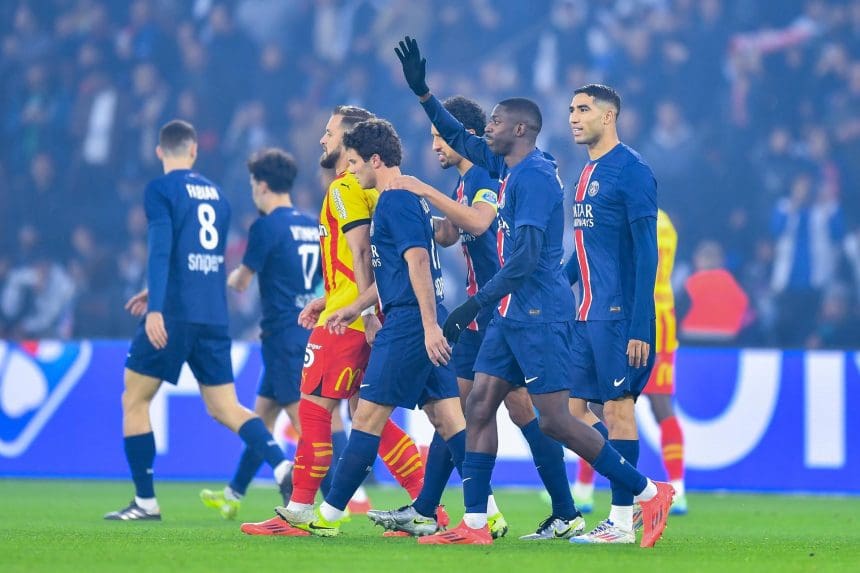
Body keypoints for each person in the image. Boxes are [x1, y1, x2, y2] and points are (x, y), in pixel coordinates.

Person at [395, 37, 674, 548]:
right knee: (479, 405)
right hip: (515, 312)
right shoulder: (513, 166)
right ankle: (475, 526)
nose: (487, 131)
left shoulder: (538, 178)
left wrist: (471, 307)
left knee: (557, 422)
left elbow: (524, 261)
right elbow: (465, 139)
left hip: (540, 312)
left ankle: (648, 491)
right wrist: (423, 94)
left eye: (496, 123)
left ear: (519, 130)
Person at [367, 95, 584, 540]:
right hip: (484, 312)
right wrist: (403, 216)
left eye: (440, 139)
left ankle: (563, 506)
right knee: (474, 409)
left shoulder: (486, 174)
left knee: (493, 409)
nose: (436, 148)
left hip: (497, 308)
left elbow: (480, 223)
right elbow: (448, 232)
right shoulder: (465, 183)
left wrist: (420, 192)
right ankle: (445, 510)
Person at [271, 117, 467, 537]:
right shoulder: (399, 196)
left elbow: (375, 256)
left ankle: (316, 510)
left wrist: (368, 313)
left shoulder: (358, 191)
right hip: (392, 312)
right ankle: (463, 510)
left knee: (340, 411)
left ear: (362, 153)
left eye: (331, 133)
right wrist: (346, 302)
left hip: (400, 320)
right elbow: (395, 263)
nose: (323, 138)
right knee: (444, 419)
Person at [240, 107, 426, 536]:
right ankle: (425, 504)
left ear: (348, 142)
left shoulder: (344, 188)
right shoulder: (380, 190)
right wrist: (328, 299)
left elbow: (362, 254)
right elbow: (362, 261)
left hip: (350, 322)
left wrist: (355, 310)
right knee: (368, 416)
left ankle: (302, 510)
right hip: (360, 311)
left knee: (315, 409)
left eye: (329, 133)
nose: (322, 140)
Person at [105, 120, 292, 521]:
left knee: (134, 399)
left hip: (172, 315)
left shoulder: (160, 190)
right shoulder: (219, 196)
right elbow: (201, 260)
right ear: (193, 151)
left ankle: (145, 502)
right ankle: (281, 465)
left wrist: (157, 305)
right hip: (212, 315)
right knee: (226, 407)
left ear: (160, 152)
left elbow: (161, 249)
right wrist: (157, 291)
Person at [558, 83, 665, 545]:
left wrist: (641, 324)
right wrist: (557, 284)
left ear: (609, 116)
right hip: (587, 314)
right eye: (571, 110)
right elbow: (584, 250)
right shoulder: (586, 172)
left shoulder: (632, 171)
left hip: (620, 316)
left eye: (583, 109)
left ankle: (621, 522)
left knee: (619, 411)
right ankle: (644, 490)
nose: (573, 117)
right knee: (568, 413)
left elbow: (647, 253)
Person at [199, 148, 322, 519]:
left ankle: (335, 501)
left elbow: (242, 281)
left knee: (306, 424)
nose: (253, 190)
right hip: (307, 328)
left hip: (282, 335)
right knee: (262, 418)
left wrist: (225, 276)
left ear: (263, 185)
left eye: (254, 184)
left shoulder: (266, 226)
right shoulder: (309, 223)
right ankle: (233, 495)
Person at [572, 209, 688, 517]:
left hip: (631, 314)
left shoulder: (631, 219)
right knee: (659, 406)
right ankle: (679, 486)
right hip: (663, 316)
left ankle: (586, 488)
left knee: (605, 406)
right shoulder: (667, 224)